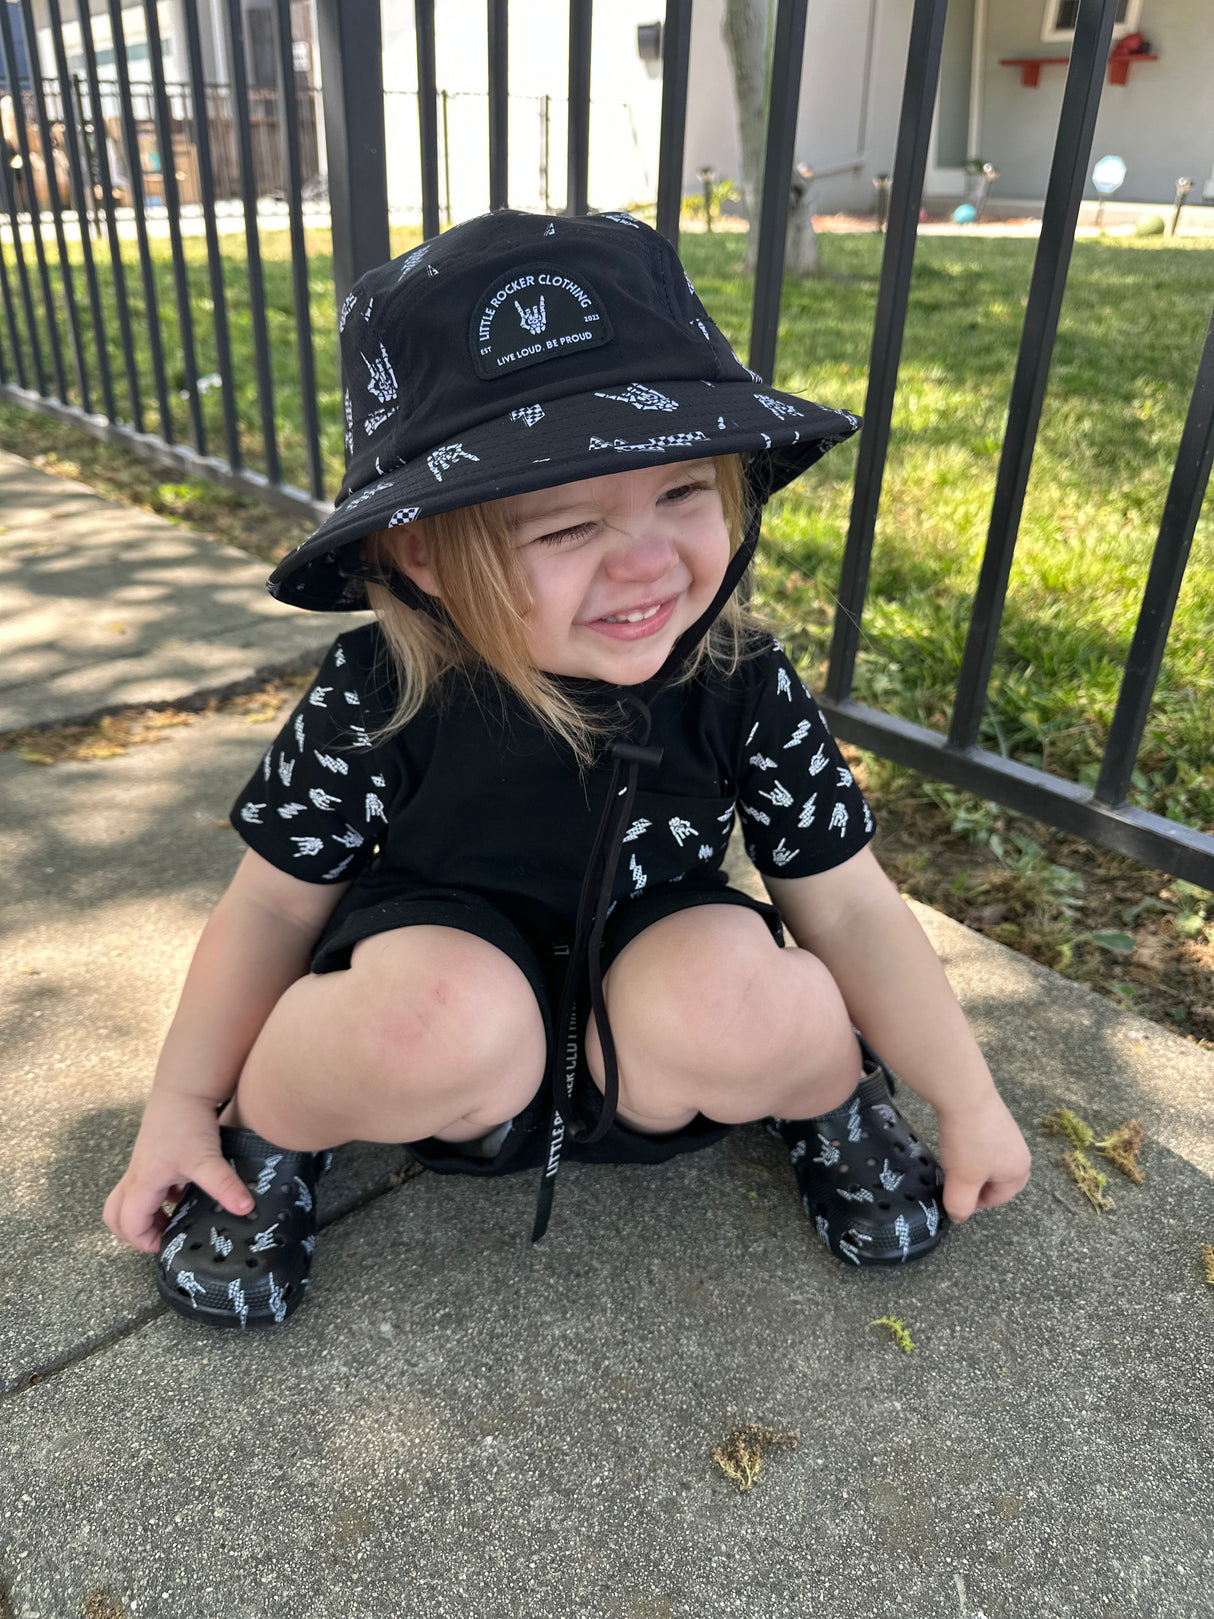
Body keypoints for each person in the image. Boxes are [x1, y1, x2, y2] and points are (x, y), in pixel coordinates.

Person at [103, 210, 1031, 1329]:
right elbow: (266, 912)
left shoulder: (737, 678)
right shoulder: (377, 694)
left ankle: (829, 1099)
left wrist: (964, 1093)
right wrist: (182, 1102)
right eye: (561, 526)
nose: (646, 560)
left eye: (682, 492)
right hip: (442, 1010)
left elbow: (845, 903)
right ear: (422, 551)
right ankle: (270, 1136)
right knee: (440, 1017)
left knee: (744, 997)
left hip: (657, 1015)